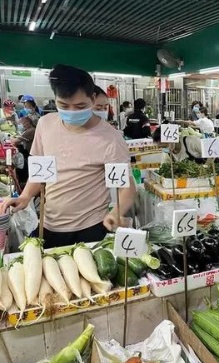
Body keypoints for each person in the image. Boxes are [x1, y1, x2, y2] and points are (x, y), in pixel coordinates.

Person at [0, 64, 136, 247]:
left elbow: (125, 186)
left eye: (80, 106)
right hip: (49, 224)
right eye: (63, 105)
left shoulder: (111, 138)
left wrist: (116, 213)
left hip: (92, 227)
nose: (72, 112)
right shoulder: (45, 125)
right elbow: (40, 173)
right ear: (55, 99)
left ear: (93, 98)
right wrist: (25, 197)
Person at [11, 116, 36, 184]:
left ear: (27, 123)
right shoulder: (28, 130)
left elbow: (15, 141)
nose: (20, 125)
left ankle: (23, 181)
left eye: (21, 123)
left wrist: (8, 139)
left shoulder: (31, 131)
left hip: (31, 154)